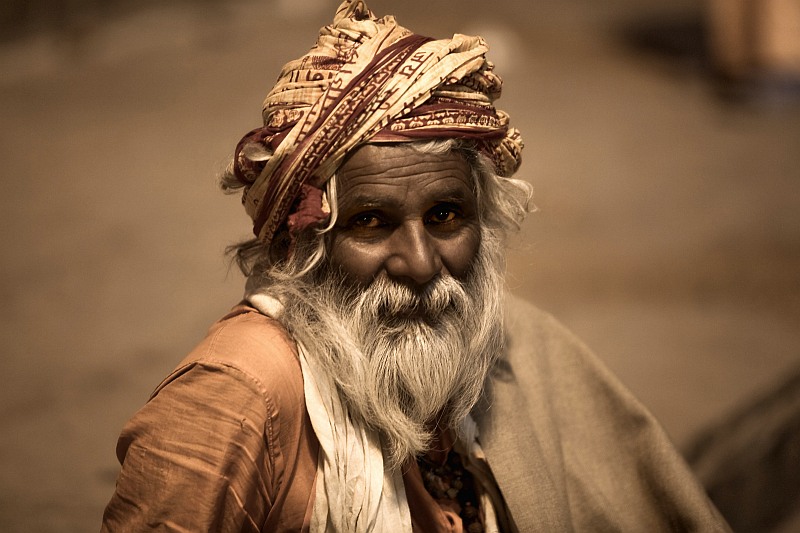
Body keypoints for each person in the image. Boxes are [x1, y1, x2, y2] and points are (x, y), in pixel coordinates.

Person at [101, 1, 731, 531]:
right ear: (303, 243)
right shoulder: (235, 398)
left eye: (446, 216)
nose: (422, 264)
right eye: (370, 222)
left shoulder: (511, 343)